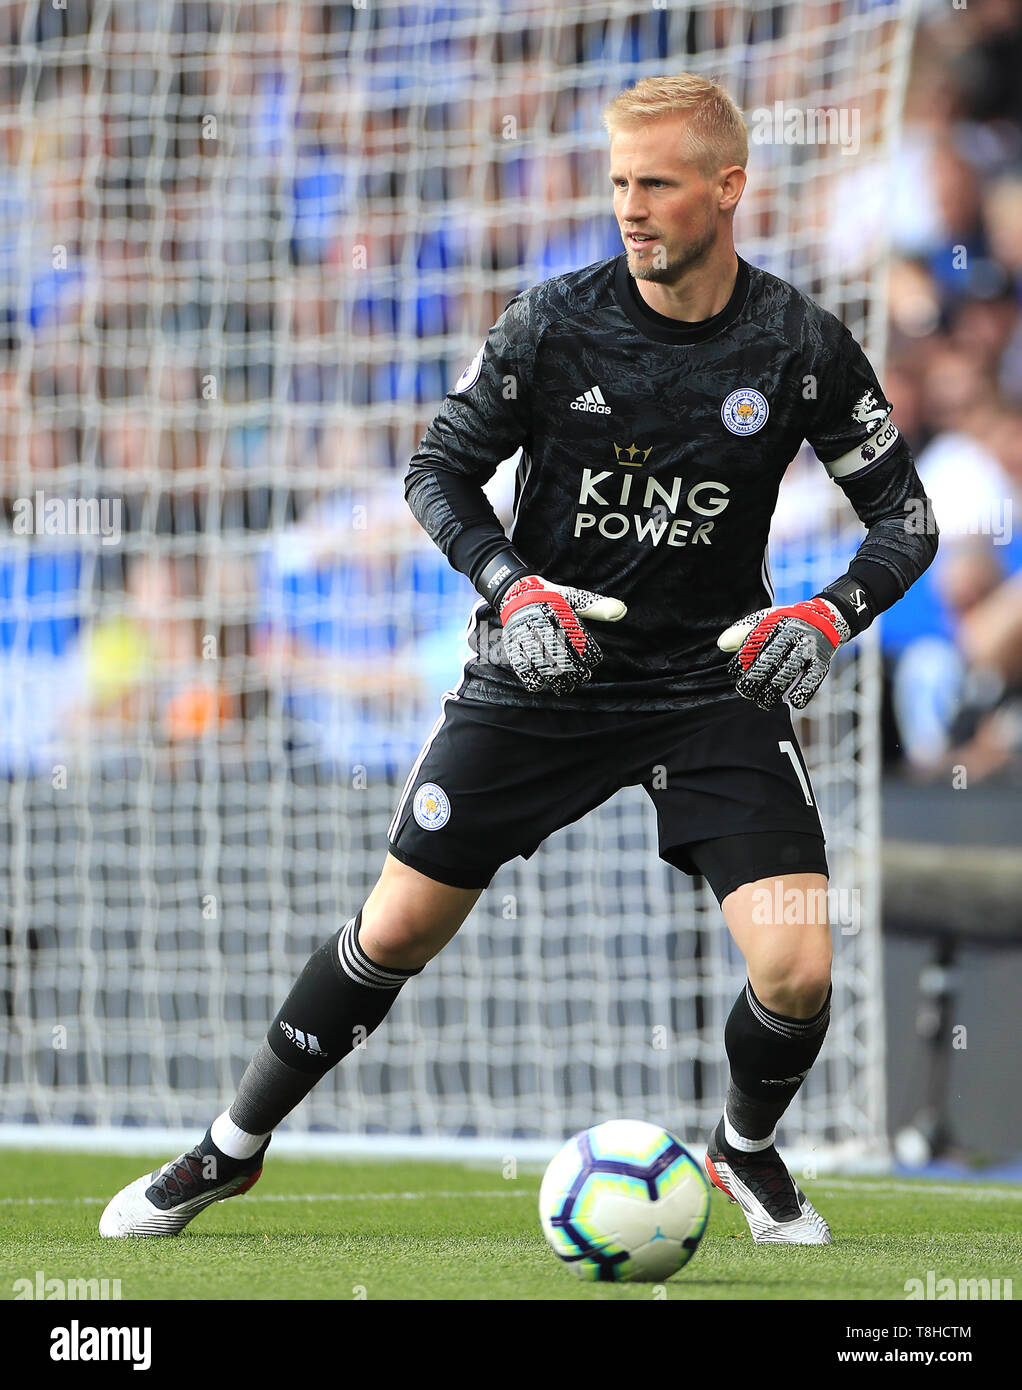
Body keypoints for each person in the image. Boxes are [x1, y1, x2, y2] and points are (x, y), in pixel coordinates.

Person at [100, 74, 937, 1248]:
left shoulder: (800, 342)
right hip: (541, 671)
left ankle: (743, 1151)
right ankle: (228, 1149)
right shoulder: (552, 321)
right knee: (393, 929)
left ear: (726, 188)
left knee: (796, 961)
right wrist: (510, 586)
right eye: (616, 185)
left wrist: (826, 615)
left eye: (655, 184)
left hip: (710, 684)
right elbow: (434, 472)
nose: (630, 209)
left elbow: (905, 521)